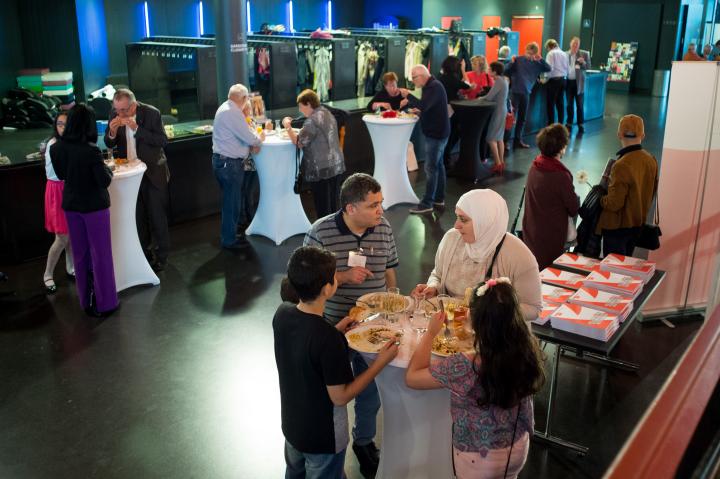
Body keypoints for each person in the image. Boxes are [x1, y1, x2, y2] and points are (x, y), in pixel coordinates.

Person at [303, 173, 399, 477]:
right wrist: (343, 276)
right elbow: (303, 284)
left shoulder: (383, 228)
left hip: (376, 327)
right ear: (350, 208)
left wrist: (394, 300)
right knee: (332, 393)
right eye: (373, 205)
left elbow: (391, 269)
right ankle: (331, 446)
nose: (381, 211)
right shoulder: (320, 233)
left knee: (370, 390)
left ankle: (364, 441)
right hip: (334, 329)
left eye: (381, 203)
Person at [274, 246, 398, 479]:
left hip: (293, 427)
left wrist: (339, 329)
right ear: (327, 288)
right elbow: (341, 396)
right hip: (324, 437)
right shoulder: (326, 338)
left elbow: (308, 345)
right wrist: (379, 363)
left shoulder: (283, 313)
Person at [406, 279, 545, 479]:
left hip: (479, 457)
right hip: (517, 447)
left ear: (478, 320)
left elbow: (412, 377)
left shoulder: (466, 364)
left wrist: (430, 333)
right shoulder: (526, 351)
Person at [412, 189, 542, 321]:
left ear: (485, 221)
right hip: (450, 328)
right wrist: (434, 287)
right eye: (457, 217)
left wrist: (492, 311)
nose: (456, 225)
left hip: (493, 334)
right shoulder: (451, 239)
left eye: (463, 220)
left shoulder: (519, 256)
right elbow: (438, 274)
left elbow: (533, 309)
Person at [50, 104, 118, 317]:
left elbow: (61, 175)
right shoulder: (91, 151)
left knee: (80, 254)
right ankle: (106, 303)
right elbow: (104, 180)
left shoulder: (56, 148)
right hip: (94, 207)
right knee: (101, 255)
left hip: (72, 206)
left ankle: (86, 301)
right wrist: (107, 167)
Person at [104, 89, 169, 271]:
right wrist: (112, 131)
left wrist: (137, 129)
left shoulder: (151, 113)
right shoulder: (114, 114)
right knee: (137, 217)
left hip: (152, 172)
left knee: (157, 217)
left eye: (124, 110)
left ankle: (162, 257)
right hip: (130, 176)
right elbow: (109, 143)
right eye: (117, 110)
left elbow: (162, 141)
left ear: (133, 105)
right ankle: (144, 255)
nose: (120, 114)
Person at [596, 115, 658, 256]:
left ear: (619, 134)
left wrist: (600, 199)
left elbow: (614, 204)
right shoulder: (651, 160)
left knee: (612, 271)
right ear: (642, 135)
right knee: (624, 268)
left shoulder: (621, 165)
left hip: (617, 228)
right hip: (637, 224)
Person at [212, 84, 264, 250]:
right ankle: (229, 240)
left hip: (223, 162)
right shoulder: (233, 112)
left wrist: (250, 144)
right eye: (247, 98)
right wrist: (257, 140)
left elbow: (237, 139)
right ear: (243, 98)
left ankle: (230, 236)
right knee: (232, 204)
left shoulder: (225, 108)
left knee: (230, 202)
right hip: (230, 165)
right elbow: (250, 137)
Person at [522, 124, 580, 269]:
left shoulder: (535, 166)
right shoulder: (561, 175)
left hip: (532, 231)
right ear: (561, 148)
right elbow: (573, 208)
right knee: (549, 273)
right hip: (551, 236)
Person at [283, 89, 346, 219]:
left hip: (321, 167)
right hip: (335, 164)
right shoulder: (326, 112)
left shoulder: (311, 121)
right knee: (333, 203)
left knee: (322, 204)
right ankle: (335, 229)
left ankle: (324, 232)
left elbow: (298, 142)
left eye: (301, 106)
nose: (300, 110)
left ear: (308, 104)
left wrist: (288, 127)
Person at [400, 65, 451, 214]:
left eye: (413, 78)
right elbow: (428, 107)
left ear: (421, 76)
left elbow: (424, 105)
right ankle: (439, 198)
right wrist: (419, 109)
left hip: (436, 134)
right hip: (439, 132)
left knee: (431, 168)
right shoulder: (433, 86)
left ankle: (427, 202)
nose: (412, 81)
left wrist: (408, 95)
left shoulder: (433, 87)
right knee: (438, 166)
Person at [42, 112, 74, 294]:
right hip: (57, 191)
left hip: (68, 189)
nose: (62, 127)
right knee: (62, 237)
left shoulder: (70, 143)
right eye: (59, 124)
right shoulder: (54, 145)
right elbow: (62, 172)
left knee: (70, 234)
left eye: (66, 124)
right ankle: (47, 274)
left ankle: (70, 268)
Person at [505, 43, 551, 149]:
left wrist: (541, 59)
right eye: (528, 53)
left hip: (526, 93)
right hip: (515, 93)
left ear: (535, 53)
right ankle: (505, 141)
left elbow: (549, 68)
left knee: (522, 118)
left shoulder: (537, 63)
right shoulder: (518, 59)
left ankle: (518, 140)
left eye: (532, 54)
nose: (529, 55)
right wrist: (511, 62)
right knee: (510, 118)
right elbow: (505, 69)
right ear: (525, 50)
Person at [438, 56, 472, 166]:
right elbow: (468, 85)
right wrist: (463, 70)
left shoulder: (441, 77)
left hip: (443, 109)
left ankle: (444, 157)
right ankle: (446, 157)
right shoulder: (453, 78)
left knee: (447, 134)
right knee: (454, 133)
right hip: (452, 109)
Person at [483, 62, 510, 174]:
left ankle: (498, 163)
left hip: (498, 111)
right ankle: (501, 162)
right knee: (499, 138)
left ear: (494, 71)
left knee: (490, 138)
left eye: (489, 69)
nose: (488, 70)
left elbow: (489, 97)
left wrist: (480, 98)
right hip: (502, 109)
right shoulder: (505, 79)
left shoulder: (498, 80)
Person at [565, 37, 591, 134]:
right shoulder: (565, 54)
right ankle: (569, 123)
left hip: (579, 83)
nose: (575, 46)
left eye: (577, 44)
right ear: (570, 44)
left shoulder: (584, 54)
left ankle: (581, 124)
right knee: (569, 105)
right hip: (568, 82)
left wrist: (583, 62)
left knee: (580, 105)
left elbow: (588, 67)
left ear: (579, 45)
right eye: (574, 44)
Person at [544, 39, 569, 126]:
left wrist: (545, 79)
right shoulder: (564, 53)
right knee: (560, 103)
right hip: (563, 80)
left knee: (551, 104)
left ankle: (551, 124)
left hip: (554, 81)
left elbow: (549, 68)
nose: (547, 50)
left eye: (547, 48)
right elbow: (567, 68)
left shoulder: (551, 53)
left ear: (550, 46)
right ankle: (560, 124)